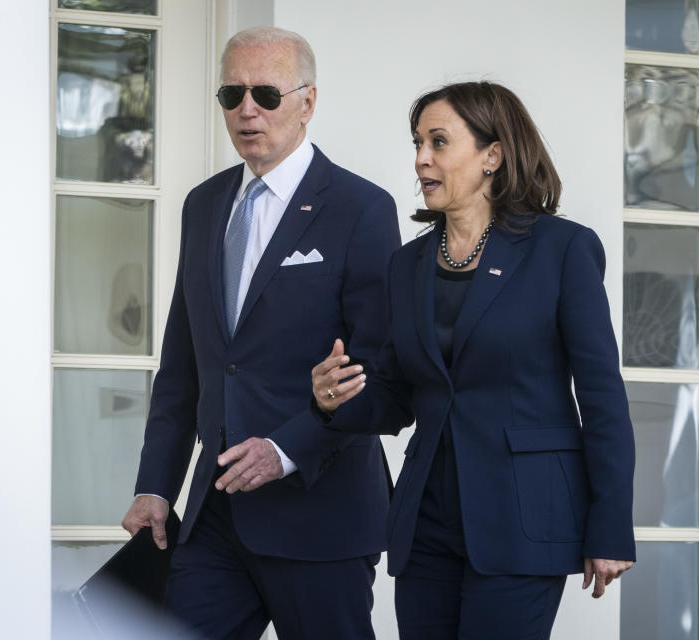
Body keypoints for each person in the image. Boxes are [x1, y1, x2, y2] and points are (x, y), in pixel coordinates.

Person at [311, 81, 636, 639]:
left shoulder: (562, 250)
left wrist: (610, 527)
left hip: (522, 518)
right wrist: (333, 399)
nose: (421, 159)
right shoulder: (407, 265)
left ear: (493, 154)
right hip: (427, 521)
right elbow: (396, 394)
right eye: (417, 143)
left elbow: (602, 396)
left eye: (438, 142)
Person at [121, 27, 400, 639]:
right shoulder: (203, 205)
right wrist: (155, 487)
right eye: (232, 93)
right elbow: (184, 366)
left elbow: (377, 371)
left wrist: (285, 449)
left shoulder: (362, 208)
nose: (247, 110)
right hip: (215, 515)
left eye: (267, 94)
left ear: (308, 102)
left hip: (320, 514)